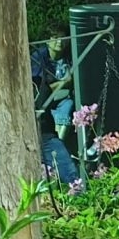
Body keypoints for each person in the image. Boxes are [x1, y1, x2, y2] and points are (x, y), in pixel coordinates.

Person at [30, 26, 79, 185]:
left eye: (62, 38)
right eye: (55, 37)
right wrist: (64, 83)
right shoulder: (37, 59)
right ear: (47, 40)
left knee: (72, 178)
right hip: (40, 118)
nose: (59, 42)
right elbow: (42, 91)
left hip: (47, 125)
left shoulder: (69, 56)